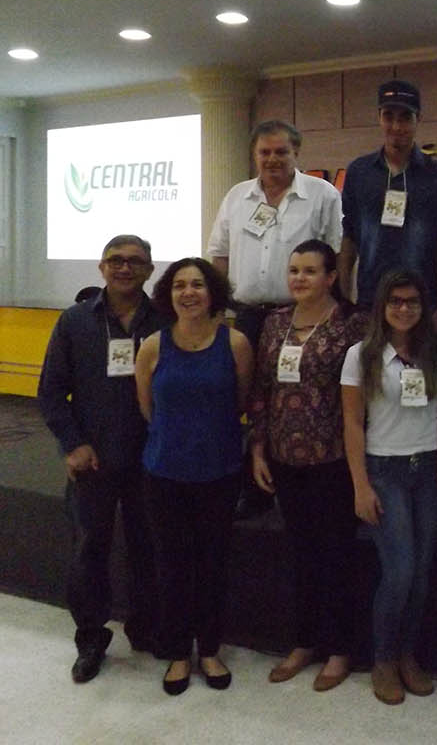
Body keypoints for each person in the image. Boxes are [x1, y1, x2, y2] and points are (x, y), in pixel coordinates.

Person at [38, 234, 166, 683]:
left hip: (152, 459)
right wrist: (72, 444)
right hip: (92, 459)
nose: (124, 268)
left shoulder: (167, 319)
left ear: (150, 270)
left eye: (135, 261)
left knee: (147, 546)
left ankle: (146, 627)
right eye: (116, 260)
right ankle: (91, 636)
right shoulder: (74, 321)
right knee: (89, 548)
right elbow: (51, 392)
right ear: (101, 267)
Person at [248, 240, 365, 691]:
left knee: (336, 557)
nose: (299, 278)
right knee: (300, 556)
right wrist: (258, 449)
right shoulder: (275, 323)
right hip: (284, 458)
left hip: (333, 459)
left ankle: (338, 649)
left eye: (310, 271)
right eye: (294, 270)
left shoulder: (351, 325)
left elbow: (362, 397)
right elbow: (261, 390)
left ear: (331, 277)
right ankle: (304, 641)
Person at [134, 258, 254, 695]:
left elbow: (240, 402)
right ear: (168, 294)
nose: (189, 293)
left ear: (212, 293)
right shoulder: (152, 345)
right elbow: (148, 408)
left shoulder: (236, 343)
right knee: (171, 567)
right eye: (180, 285)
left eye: (198, 285)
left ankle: (209, 649)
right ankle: (177, 654)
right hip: (165, 474)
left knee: (212, 565)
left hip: (219, 473)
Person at [341, 268, 437, 705]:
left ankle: (407, 654)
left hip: (429, 470)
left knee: (421, 575)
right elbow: (351, 422)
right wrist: (360, 485)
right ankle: (383, 659)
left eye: (413, 302)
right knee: (399, 572)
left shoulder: (433, 350)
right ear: (382, 307)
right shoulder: (361, 355)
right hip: (385, 470)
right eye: (395, 301)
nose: (404, 309)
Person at [339, 80, 437, 330]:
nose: (397, 126)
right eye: (389, 116)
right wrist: (343, 302)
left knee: (420, 371)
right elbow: (348, 238)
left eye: (406, 117)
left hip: (421, 306)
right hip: (368, 306)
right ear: (379, 118)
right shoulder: (359, 172)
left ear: (419, 119)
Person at [207, 119, 343, 345]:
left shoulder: (322, 194)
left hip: (302, 316)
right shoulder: (236, 196)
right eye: (265, 152)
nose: (272, 159)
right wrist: (215, 310)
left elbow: (335, 256)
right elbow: (220, 257)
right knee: (243, 381)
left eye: (281, 152)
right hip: (245, 317)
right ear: (254, 154)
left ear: (296, 151)